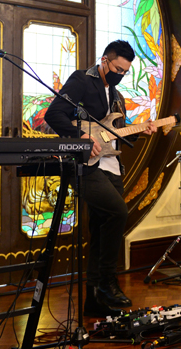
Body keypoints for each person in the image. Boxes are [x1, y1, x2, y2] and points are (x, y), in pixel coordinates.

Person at [45, 39, 152, 318]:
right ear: (105, 60)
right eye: (117, 69)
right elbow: (54, 114)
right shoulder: (82, 79)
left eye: (125, 72)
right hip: (86, 164)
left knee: (101, 226)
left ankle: (93, 299)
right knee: (118, 212)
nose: (121, 74)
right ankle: (107, 280)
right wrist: (80, 137)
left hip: (111, 164)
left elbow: (115, 131)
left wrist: (140, 129)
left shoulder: (116, 95)